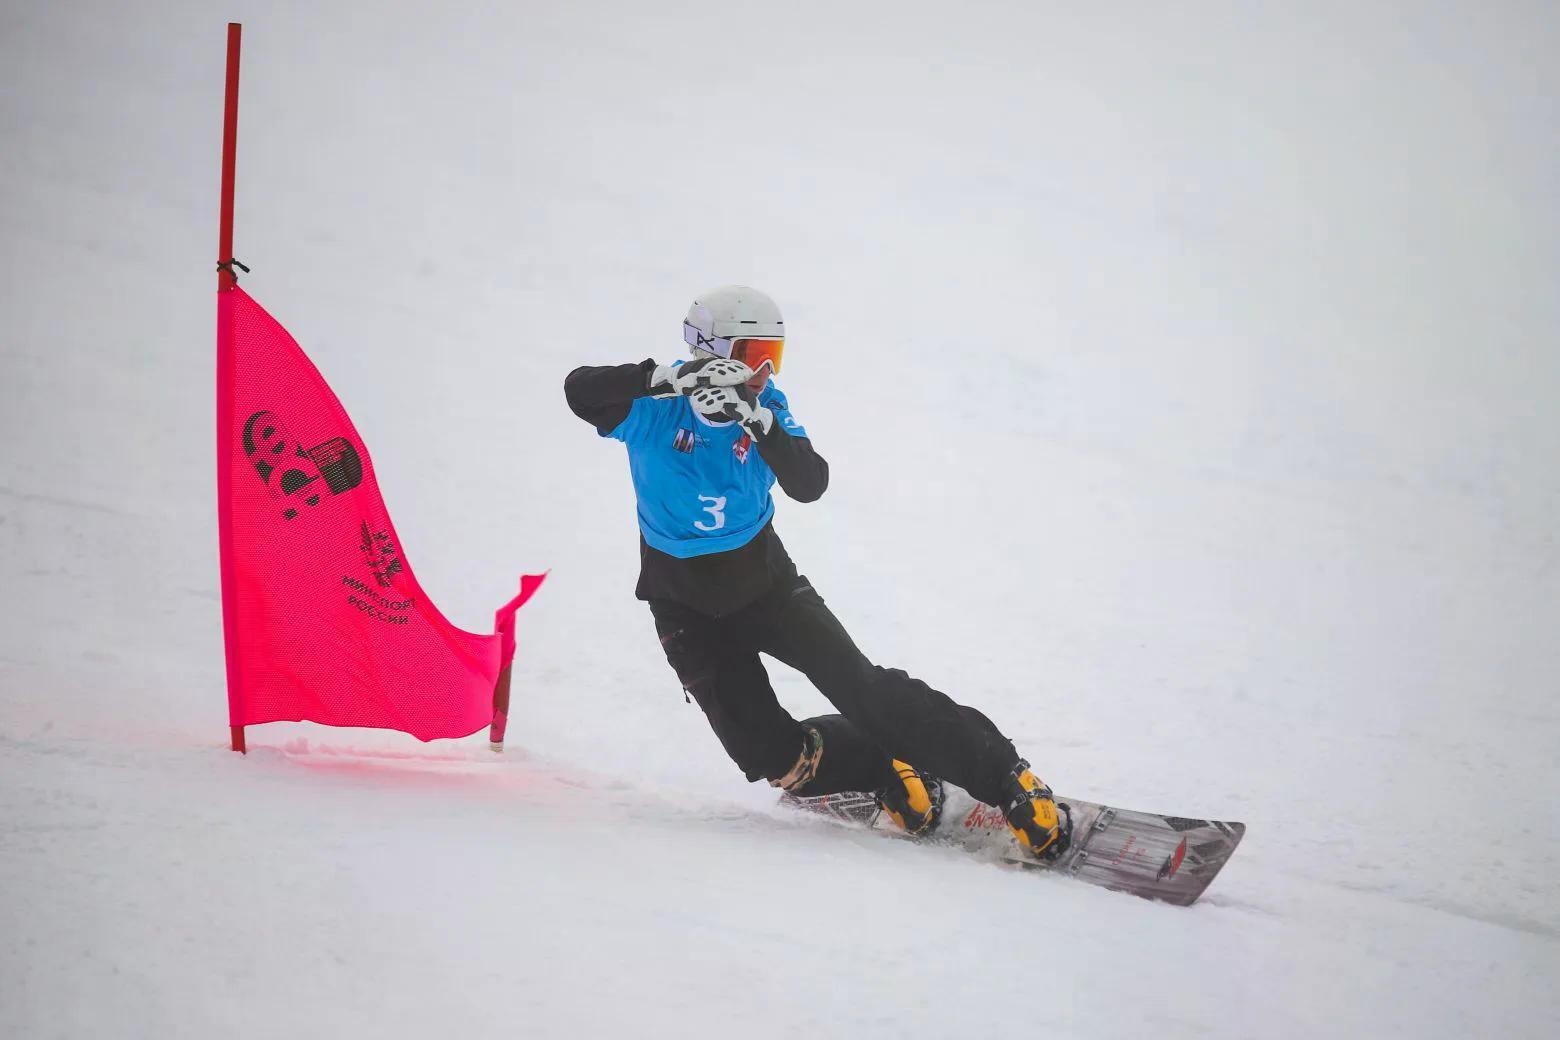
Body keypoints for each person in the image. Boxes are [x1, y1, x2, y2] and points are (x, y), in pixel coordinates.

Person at [563, 285, 1069, 858]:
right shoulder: (653, 410)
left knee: (863, 690)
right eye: (755, 356)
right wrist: (664, 378)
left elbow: (809, 483)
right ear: (713, 351)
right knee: (771, 758)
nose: (765, 372)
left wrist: (759, 422)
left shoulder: (767, 408)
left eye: (773, 358)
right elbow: (579, 391)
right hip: (684, 606)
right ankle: (882, 768)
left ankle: (1007, 777)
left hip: (765, 586)